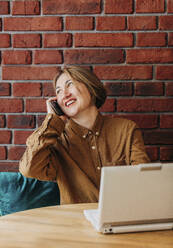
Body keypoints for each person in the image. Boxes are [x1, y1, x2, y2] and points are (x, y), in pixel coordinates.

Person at [19, 66, 150, 205]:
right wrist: (52, 121)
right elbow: (29, 169)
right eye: (58, 91)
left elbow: (144, 180)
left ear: (90, 86)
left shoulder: (127, 129)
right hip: (76, 222)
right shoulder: (56, 140)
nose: (65, 94)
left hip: (121, 217)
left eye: (70, 85)